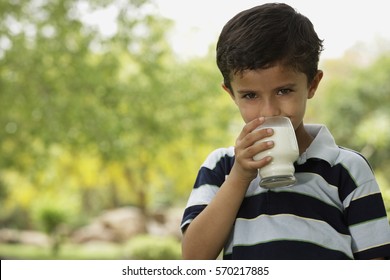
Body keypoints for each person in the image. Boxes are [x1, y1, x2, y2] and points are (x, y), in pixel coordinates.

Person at [180, 3, 390, 260]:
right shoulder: (222, 167)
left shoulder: (346, 169)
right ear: (231, 94)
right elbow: (194, 259)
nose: (269, 111)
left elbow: (377, 263)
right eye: (250, 95)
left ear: (312, 84)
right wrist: (240, 176)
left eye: (284, 91)